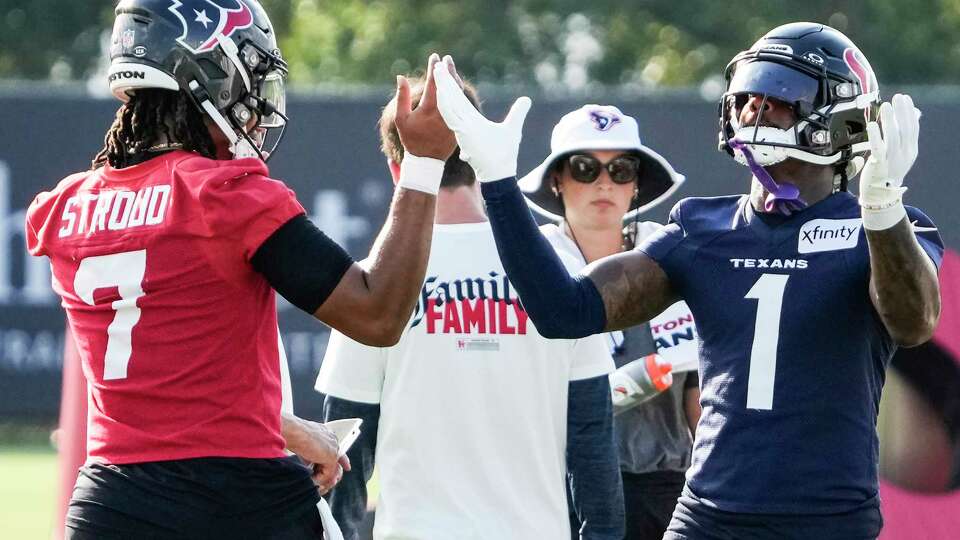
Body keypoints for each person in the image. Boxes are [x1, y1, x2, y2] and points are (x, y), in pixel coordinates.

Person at [434, 21, 943, 540]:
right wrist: (496, 178)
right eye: (747, 94)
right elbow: (564, 310)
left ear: (838, 118)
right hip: (707, 518)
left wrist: (883, 209)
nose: (753, 109)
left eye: (779, 96)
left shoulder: (881, 231)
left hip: (828, 522)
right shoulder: (703, 228)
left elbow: (913, 321)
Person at [25, 1, 455, 538]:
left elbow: (173, 400)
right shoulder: (222, 195)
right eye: (248, 75)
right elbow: (378, 314)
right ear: (208, 72)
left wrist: (286, 429)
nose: (254, 102)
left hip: (110, 504)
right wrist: (423, 165)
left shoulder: (65, 208)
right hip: (238, 502)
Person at [316, 68, 624, 540]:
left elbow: (343, 462)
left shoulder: (373, 282)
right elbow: (594, 451)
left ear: (397, 170)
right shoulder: (559, 269)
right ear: (479, 155)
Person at [520, 104, 701, 539]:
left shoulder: (673, 253)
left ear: (635, 184)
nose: (605, 182)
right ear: (557, 180)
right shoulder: (526, 264)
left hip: (667, 490)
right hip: (558, 485)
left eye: (621, 169)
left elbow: (699, 394)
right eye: (585, 168)